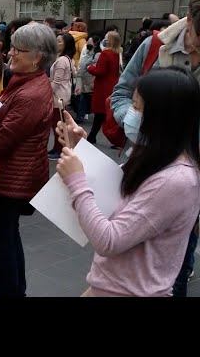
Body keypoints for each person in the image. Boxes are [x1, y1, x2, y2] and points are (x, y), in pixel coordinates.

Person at [56, 67, 200, 297]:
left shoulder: (177, 180)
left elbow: (109, 240)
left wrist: (76, 181)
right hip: (110, 286)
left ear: (160, 117)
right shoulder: (153, 154)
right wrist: (81, 149)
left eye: (136, 107)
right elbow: (115, 183)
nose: (130, 114)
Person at [110, 0, 200, 296]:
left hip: (187, 180)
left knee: (174, 269)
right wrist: (134, 120)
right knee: (125, 260)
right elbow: (121, 93)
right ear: (188, 21)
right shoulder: (153, 47)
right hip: (142, 165)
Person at [0, 22, 56, 297]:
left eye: (18, 49)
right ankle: (15, 291)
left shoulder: (31, 93)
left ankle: (9, 292)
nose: (11, 53)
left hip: (10, 179)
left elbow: (2, 140)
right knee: (8, 238)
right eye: (12, 47)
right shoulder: (26, 82)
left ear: (37, 57)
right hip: (12, 175)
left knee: (3, 242)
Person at [86, 30, 122, 145]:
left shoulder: (106, 54)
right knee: (108, 114)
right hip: (113, 85)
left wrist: (90, 68)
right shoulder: (118, 54)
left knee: (99, 114)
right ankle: (94, 136)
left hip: (102, 87)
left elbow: (100, 71)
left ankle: (92, 136)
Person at [48, 32, 76, 160]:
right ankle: (57, 148)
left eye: (59, 41)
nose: (56, 43)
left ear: (66, 44)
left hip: (58, 96)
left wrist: (47, 91)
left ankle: (59, 149)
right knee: (59, 124)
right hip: (63, 94)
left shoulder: (62, 60)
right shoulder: (68, 59)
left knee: (57, 125)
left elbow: (57, 81)